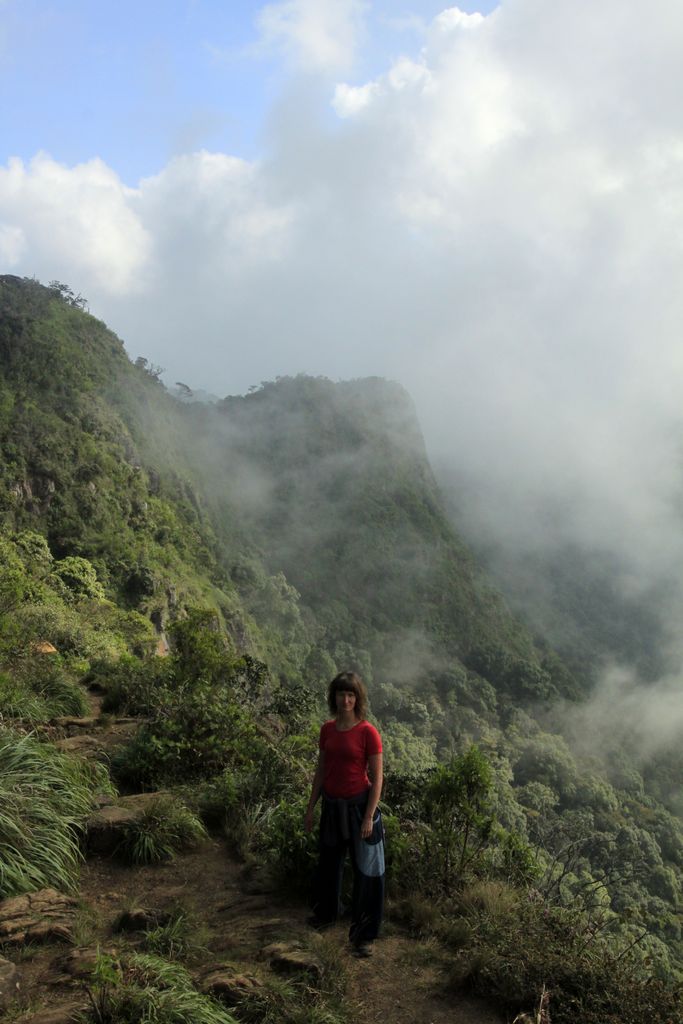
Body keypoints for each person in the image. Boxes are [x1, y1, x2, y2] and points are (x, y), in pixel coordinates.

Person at [304, 671, 385, 958]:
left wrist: (368, 817)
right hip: (331, 804)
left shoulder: (367, 732)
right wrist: (311, 806)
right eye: (341, 694)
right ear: (334, 697)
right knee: (329, 864)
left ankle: (364, 935)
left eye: (351, 695)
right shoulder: (327, 729)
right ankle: (326, 916)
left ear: (357, 699)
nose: (346, 700)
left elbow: (377, 779)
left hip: (359, 807)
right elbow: (321, 770)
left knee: (367, 871)